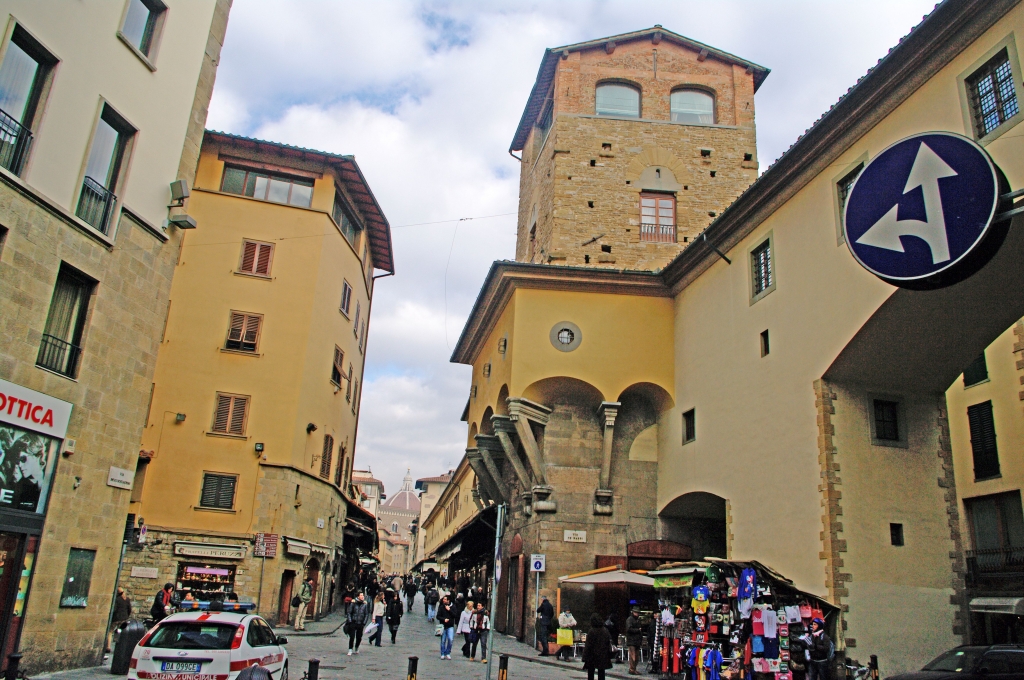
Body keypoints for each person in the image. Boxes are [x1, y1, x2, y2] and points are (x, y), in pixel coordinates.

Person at [583, 613, 613, 680]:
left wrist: (585, 657)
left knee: (591, 672)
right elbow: (608, 642)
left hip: (592, 655)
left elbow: (588, 645)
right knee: (601, 672)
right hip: (603, 654)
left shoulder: (591, 631)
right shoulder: (605, 630)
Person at [106, 587, 132, 652]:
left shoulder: (116, 599)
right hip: (124, 618)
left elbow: (114, 609)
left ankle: (108, 647)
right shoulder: (127, 599)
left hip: (116, 618)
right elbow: (129, 609)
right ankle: (118, 647)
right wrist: (127, 616)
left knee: (110, 631)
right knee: (120, 632)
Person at [436, 594, 456, 659]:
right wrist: (444, 619)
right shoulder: (441, 607)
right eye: (443, 599)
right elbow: (438, 616)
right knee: (443, 641)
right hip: (443, 626)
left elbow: (455, 615)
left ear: (448, 600)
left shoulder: (453, 607)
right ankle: (442, 653)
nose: (443, 600)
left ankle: (448, 652)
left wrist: (449, 610)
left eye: (445, 599)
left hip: (450, 626)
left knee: (450, 639)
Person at [626, 607, 643, 675]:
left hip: (637, 641)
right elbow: (629, 629)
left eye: (637, 613)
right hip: (631, 640)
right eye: (636, 612)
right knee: (633, 656)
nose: (637, 614)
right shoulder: (630, 619)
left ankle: (634, 668)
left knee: (636, 657)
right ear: (633, 612)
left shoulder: (637, 620)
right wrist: (638, 630)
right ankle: (632, 669)